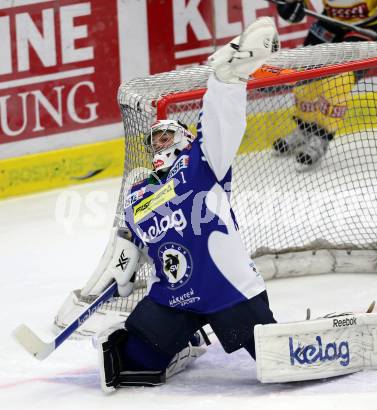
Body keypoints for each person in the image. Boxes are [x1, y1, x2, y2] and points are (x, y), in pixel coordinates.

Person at [83, 17, 280, 392]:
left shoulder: (202, 163)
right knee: (133, 365)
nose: (160, 142)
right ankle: (183, 342)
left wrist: (226, 82)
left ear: (186, 137)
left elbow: (221, 126)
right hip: (172, 299)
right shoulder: (137, 197)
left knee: (274, 359)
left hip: (228, 290)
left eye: (168, 133)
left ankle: (227, 74)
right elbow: (126, 258)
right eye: (154, 139)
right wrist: (120, 272)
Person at [269, 0, 377, 167]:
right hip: (330, 21)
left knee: (339, 81)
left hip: (368, 27)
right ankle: (304, 130)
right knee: (304, 78)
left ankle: (321, 136)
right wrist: (292, 3)